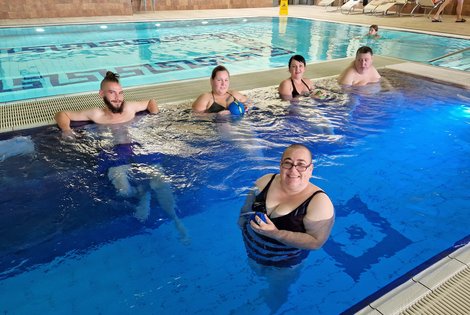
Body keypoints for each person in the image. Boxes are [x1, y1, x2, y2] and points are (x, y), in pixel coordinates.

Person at [54, 71, 188, 242]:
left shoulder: (130, 107)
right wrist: (66, 130)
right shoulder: (96, 114)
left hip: (138, 149)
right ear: (101, 94)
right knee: (123, 192)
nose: (118, 97)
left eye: (120, 92)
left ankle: (176, 219)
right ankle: (142, 193)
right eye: (112, 93)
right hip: (113, 154)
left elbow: (150, 101)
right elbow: (62, 114)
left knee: (161, 182)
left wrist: (155, 118)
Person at [238, 144, 335, 267]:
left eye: (301, 164)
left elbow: (316, 243)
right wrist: (241, 223)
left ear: (310, 169)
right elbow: (246, 208)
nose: (293, 170)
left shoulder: (319, 203)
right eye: (288, 163)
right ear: (281, 165)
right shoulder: (265, 182)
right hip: (250, 250)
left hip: (284, 264)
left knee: (275, 287)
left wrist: (275, 233)